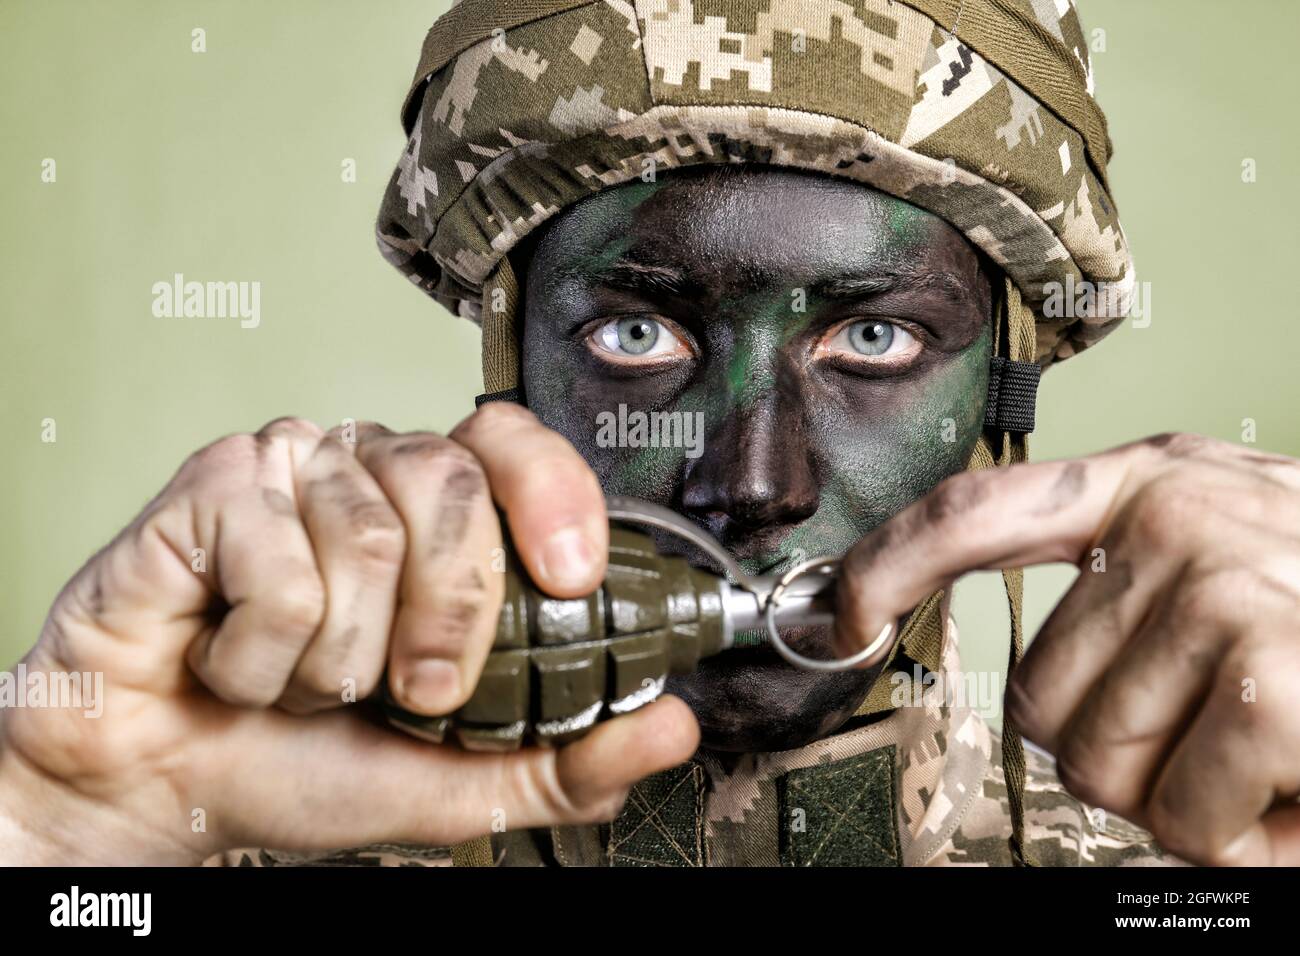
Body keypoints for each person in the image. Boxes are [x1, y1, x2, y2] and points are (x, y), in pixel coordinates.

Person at [2, 0, 1297, 868]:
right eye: (638, 336)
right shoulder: (227, 817)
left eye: (874, 340)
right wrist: (54, 823)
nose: (756, 484)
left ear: (1005, 395)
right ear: (509, 374)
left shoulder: (1209, 840)